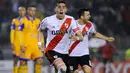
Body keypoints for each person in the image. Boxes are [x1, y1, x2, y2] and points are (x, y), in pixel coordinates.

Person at [38, 1, 83, 73]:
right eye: (59, 7)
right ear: (56, 9)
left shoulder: (71, 20)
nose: (61, 9)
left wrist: (76, 38)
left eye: (63, 7)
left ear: (66, 10)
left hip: (65, 52)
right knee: (62, 68)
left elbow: (81, 37)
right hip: (51, 50)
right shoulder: (47, 20)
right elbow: (40, 31)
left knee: (68, 71)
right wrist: (40, 45)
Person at [69, 9, 114, 73]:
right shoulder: (72, 24)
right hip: (72, 54)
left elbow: (94, 34)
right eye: (87, 15)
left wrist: (106, 38)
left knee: (88, 71)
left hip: (84, 53)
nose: (89, 16)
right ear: (82, 17)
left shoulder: (89, 25)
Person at [18, 5, 43, 73]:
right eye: (31, 10)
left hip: (36, 46)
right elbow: (19, 33)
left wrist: (41, 44)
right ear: (28, 11)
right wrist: (21, 44)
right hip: (26, 46)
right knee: (23, 63)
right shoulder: (23, 20)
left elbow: (40, 33)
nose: (32, 12)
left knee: (39, 61)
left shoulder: (38, 21)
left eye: (34, 10)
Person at [10, 6, 26, 73]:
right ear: (18, 11)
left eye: (22, 10)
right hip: (16, 44)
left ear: (25, 12)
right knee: (15, 60)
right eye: (20, 10)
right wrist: (12, 43)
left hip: (24, 43)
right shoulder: (15, 21)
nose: (21, 12)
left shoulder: (27, 21)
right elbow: (12, 32)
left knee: (23, 62)